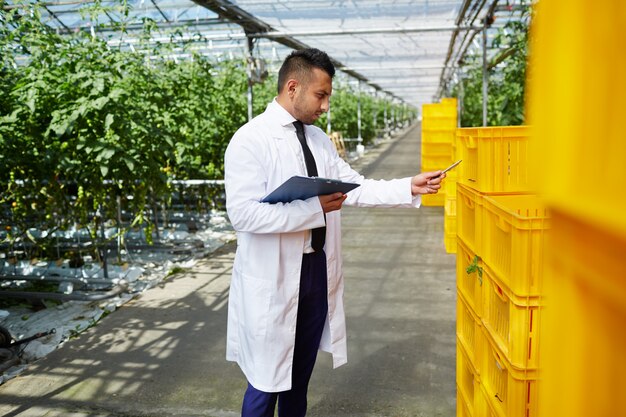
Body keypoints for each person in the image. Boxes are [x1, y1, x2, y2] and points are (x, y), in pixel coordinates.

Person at [224, 48, 445, 417]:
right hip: (273, 277)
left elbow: (354, 186)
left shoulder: (318, 140)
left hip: (314, 272)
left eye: (328, 96)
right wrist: (312, 209)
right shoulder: (250, 140)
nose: (325, 106)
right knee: (265, 383)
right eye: (320, 95)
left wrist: (409, 186)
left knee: (299, 378)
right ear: (292, 87)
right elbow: (243, 214)